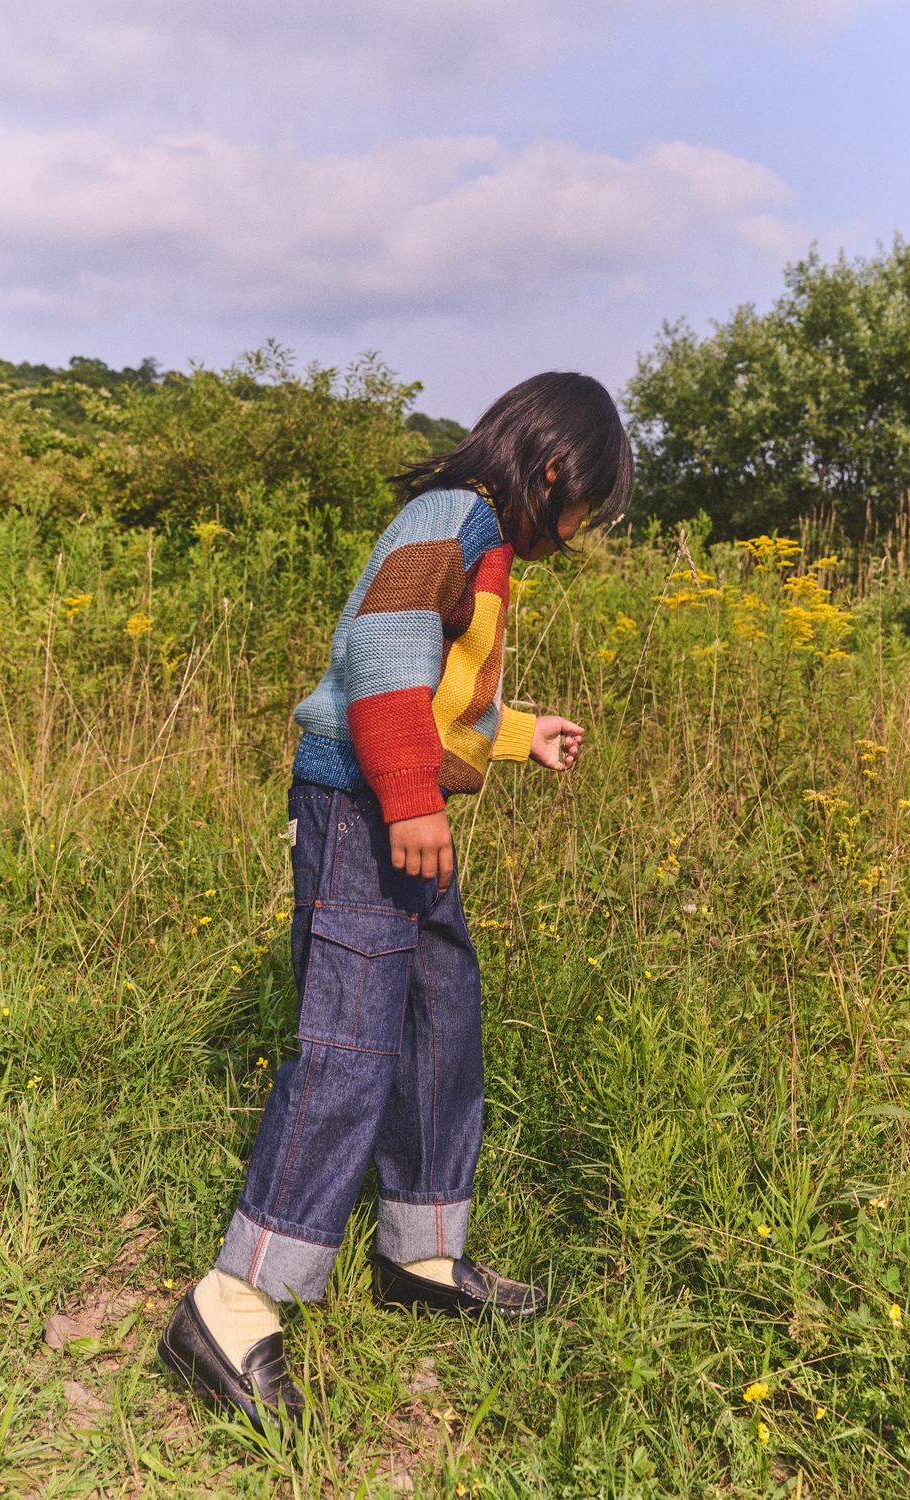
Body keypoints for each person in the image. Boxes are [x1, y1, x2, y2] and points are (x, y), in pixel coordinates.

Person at [158, 371, 635, 1431]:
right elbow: (377, 659)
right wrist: (413, 797)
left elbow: (438, 692)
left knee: (435, 1019)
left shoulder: (486, 544)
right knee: (352, 1040)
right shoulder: (451, 517)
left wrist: (518, 732)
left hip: (402, 808)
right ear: (553, 468)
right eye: (586, 507)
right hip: (362, 810)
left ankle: (419, 1249)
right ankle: (233, 1298)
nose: (582, 530)